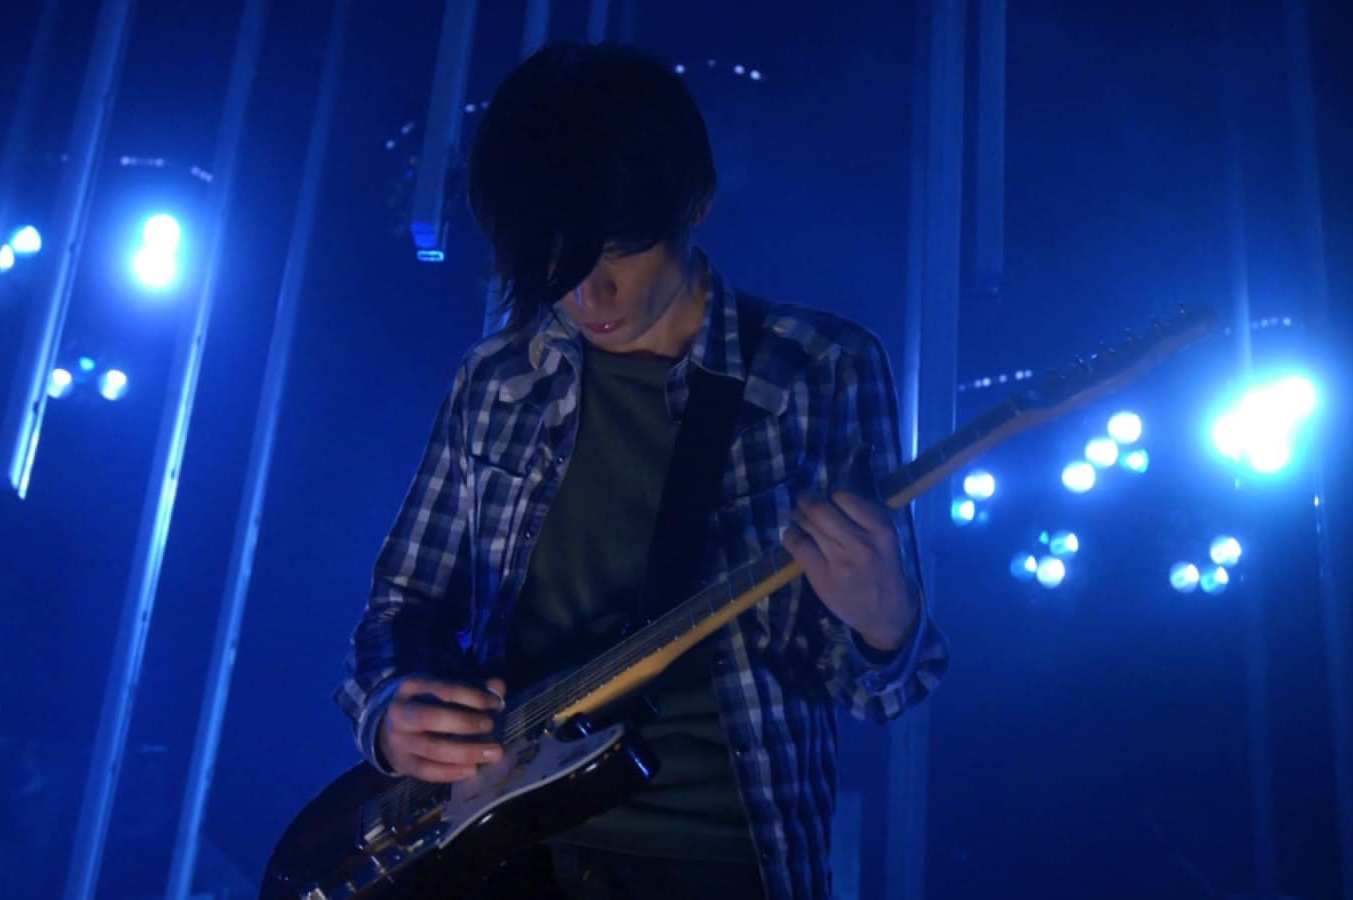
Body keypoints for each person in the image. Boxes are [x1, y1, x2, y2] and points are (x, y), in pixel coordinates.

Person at [334, 42, 948, 900]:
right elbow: (400, 609)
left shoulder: (822, 366)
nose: (589, 296)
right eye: (557, 264)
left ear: (693, 204)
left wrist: (885, 623)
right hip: (497, 854)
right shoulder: (496, 380)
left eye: (616, 255)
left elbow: (877, 689)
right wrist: (393, 712)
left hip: (723, 861)